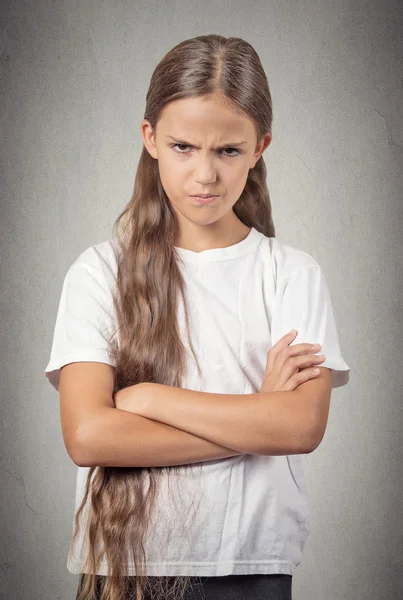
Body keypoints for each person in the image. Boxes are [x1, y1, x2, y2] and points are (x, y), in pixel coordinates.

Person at [44, 34, 350, 600]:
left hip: (252, 564)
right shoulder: (97, 274)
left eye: (227, 151)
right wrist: (256, 420)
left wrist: (150, 399)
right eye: (183, 147)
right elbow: (89, 435)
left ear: (260, 147)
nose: (205, 175)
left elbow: (300, 427)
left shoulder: (291, 275)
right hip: (126, 570)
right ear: (151, 139)